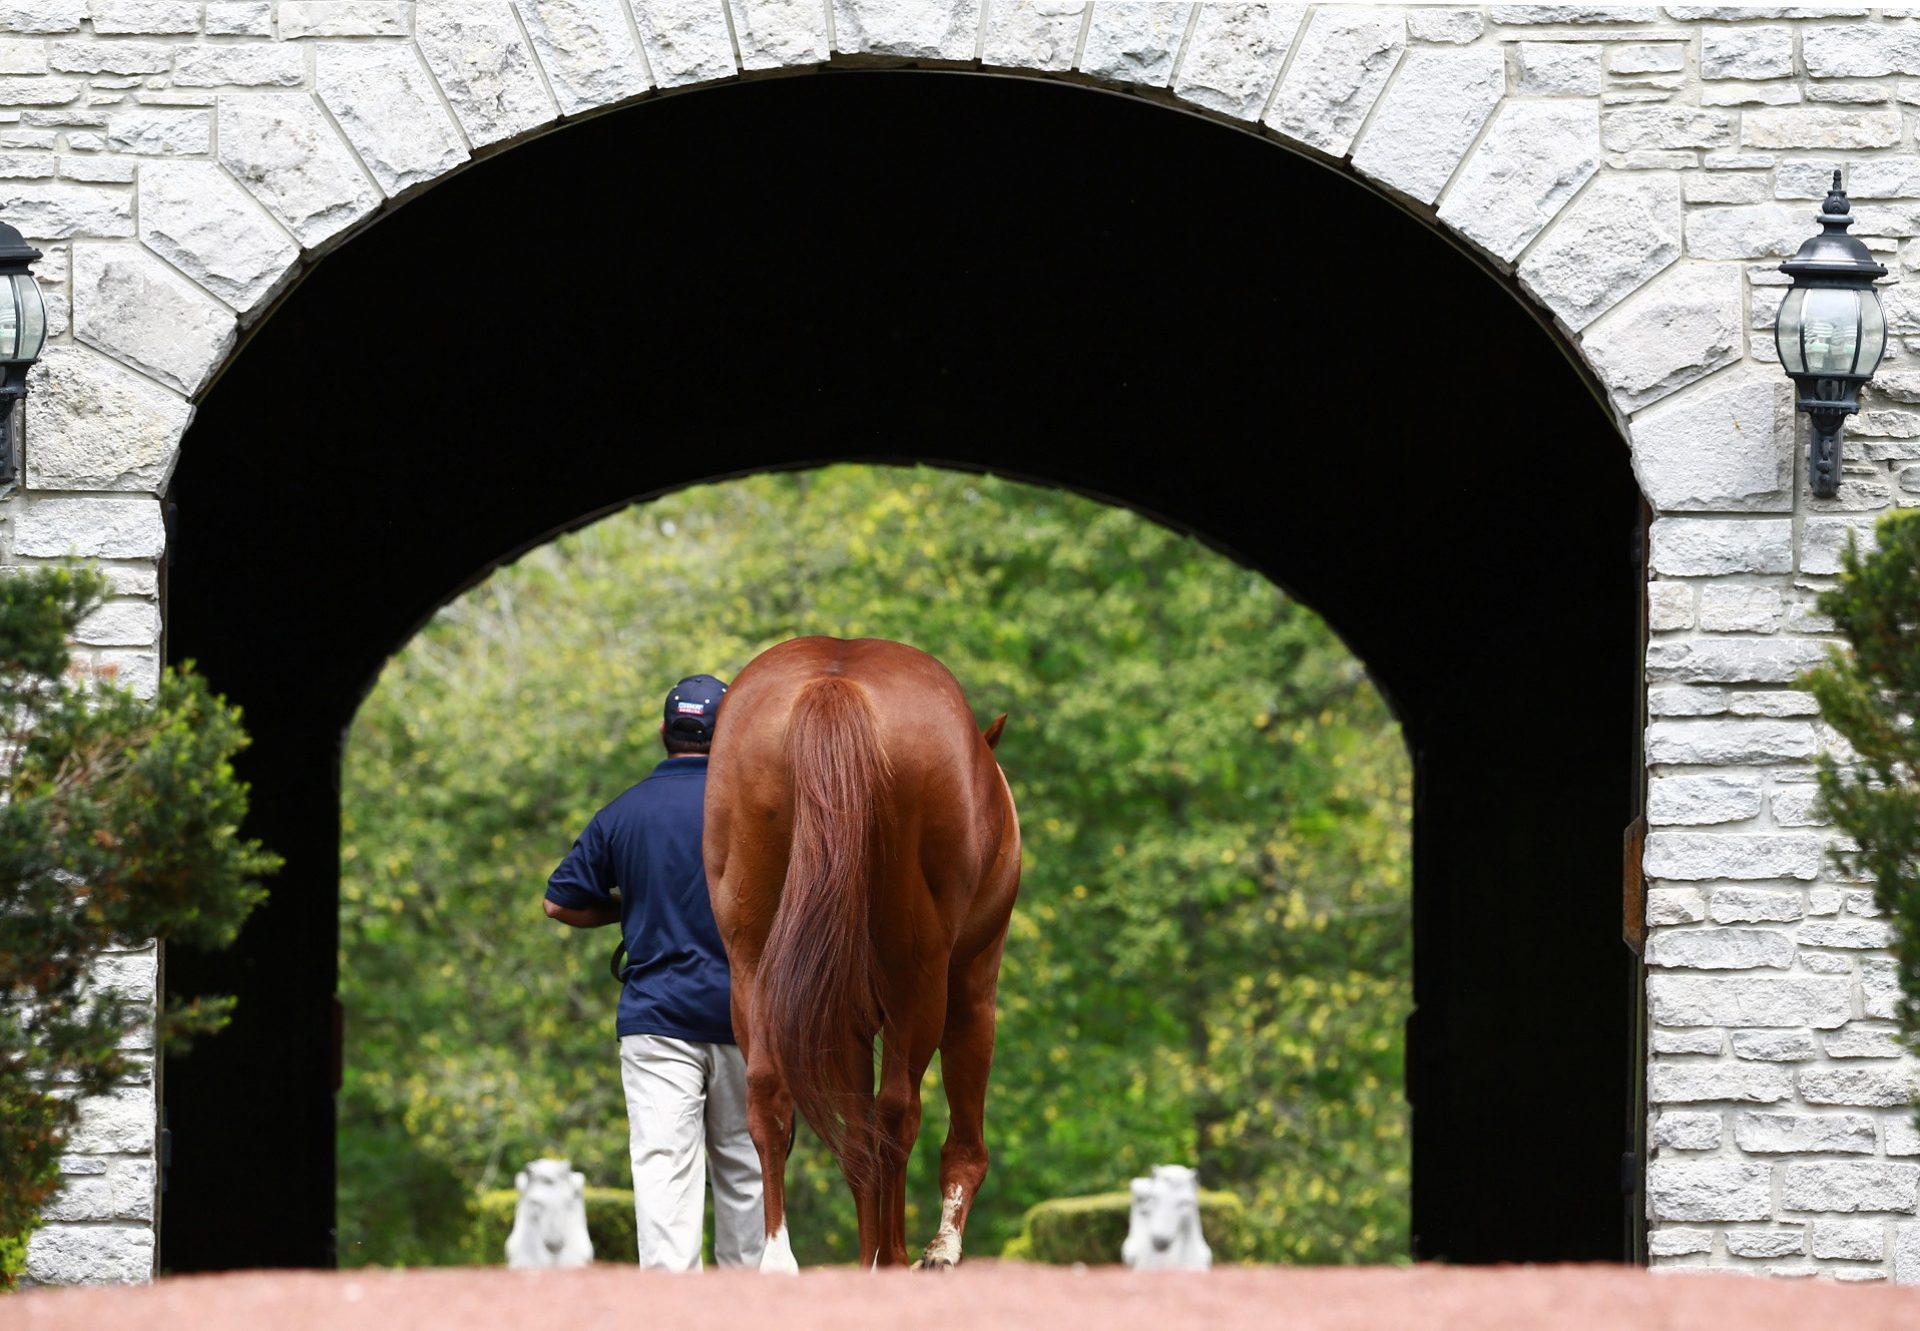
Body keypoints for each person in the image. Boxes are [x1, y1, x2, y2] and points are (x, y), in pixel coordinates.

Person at [541, 673, 764, 1270]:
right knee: (746, 1168)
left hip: (658, 1019)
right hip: (746, 1020)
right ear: (729, 734)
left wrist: (630, 904)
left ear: (665, 731)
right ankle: (750, 1304)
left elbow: (559, 902)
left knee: (665, 1169)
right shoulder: (759, 811)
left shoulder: (624, 811)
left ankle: (670, 1303)